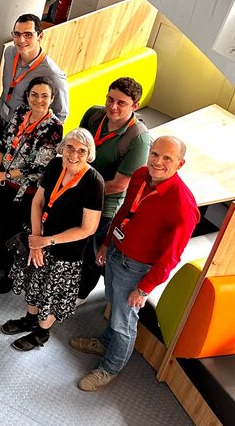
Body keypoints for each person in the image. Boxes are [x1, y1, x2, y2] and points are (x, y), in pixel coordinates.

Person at [71, 136, 198, 392]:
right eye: (155, 154)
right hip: (116, 253)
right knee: (113, 303)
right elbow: (123, 213)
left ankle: (110, 369)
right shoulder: (140, 175)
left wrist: (143, 289)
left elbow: (171, 257)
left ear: (180, 164)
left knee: (124, 322)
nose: (157, 162)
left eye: (167, 158)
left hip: (137, 269)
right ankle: (105, 342)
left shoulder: (183, 206)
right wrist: (107, 243)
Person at [0, 14, 69, 225]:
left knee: (10, 177)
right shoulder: (10, 53)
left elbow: (61, 114)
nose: (21, 40)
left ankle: (2, 222)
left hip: (23, 133)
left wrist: (34, 133)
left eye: (28, 34)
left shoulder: (53, 74)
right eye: (17, 34)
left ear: (40, 36)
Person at [3, 129, 104, 351]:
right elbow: (38, 202)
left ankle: (41, 333)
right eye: (70, 147)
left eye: (81, 151)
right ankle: (29, 320)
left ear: (89, 154)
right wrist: (36, 239)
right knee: (34, 281)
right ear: (62, 148)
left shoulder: (94, 183)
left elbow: (88, 228)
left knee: (51, 293)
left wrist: (46, 241)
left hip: (65, 251)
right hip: (39, 238)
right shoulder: (55, 165)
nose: (74, 155)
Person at [0, 77, 65, 294]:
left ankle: (11, 274)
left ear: (52, 99)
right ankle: (2, 259)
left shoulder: (54, 127)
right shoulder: (20, 113)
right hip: (3, 181)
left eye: (44, 96)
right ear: (27, 96)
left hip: (25, 191)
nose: (39, 100)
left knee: (15, 233)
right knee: (1, 224)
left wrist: (3, 174)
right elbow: (2, 143)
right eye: (34, 95)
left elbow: (39, 167)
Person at [75, 78, 151, 303]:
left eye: (121, 103)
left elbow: (119, 185)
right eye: (110, 99)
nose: (113, 107)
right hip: (78, 188)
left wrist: (81, 190)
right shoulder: (93, 115)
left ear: (135, 106)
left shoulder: (138, 139)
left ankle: (81, 293)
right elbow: (77, 147)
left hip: (104, 202)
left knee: (90, 250)